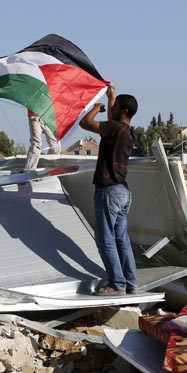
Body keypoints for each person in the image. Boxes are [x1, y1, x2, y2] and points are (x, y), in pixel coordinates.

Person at [79, 84, 138, 295]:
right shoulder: (128, 131)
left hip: (109, 191)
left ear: (123, 111)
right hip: (123, 192)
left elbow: (85, 122)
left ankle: (117, 283)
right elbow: (114, 119)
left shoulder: (114, 128)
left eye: (115, 107)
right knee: (121, 238)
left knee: (105, 240)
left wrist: (96, 108)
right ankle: (131, 282)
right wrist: (112, 96)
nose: (111, 110)